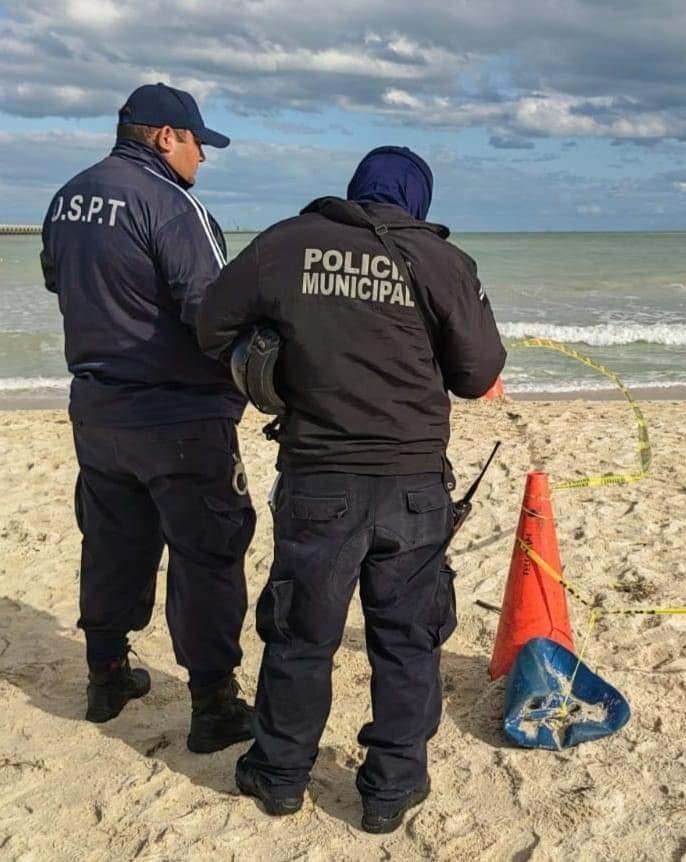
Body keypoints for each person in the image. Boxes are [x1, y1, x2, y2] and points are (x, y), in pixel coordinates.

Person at [196, 146, 506, 832]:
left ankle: (279, 775)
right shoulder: (444, 263)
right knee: (407, 637)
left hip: (319, 481)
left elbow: (210, 325)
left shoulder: (288, 244)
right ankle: (391, 788)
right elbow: (479, 370)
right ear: (415, 200)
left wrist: (272, 357)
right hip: (413, 486)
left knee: (303, 634)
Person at [40, 83, 256, 753]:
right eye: (198, 144)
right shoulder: (170, 202)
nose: (202, 158)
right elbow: (212, 310)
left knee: (112, 541)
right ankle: (213, 704)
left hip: (98, 410)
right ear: (166, 137)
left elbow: (57, 279)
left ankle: (106, 675)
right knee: (207, 553)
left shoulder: (67, 197)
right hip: (179, 417)